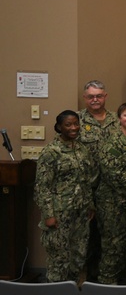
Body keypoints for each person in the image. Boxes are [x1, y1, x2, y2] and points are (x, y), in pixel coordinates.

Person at [35, 110, 97, 283]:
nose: (74, 128)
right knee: (59, 260)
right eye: (68, 125)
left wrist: (90, 204)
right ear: (59, 127)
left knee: (78, 257)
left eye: (76, 124)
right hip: (60, 214)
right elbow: (42, 186)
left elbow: (87, 180)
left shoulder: (81, 149)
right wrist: (49, 215)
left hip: (81, 213)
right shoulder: (51, 152)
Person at [94, 103, 126, 284]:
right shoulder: (111, 142)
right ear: (119, 118)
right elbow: (113, 174)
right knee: (114, 247)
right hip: (114, 204)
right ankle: (107, 285)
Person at [78, 80, 116, 147]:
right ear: (85, 98)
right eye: (90, 97)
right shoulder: (76, 119)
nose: (95, 100)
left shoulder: (117, 119)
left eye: (99, 96)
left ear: (105, 96)